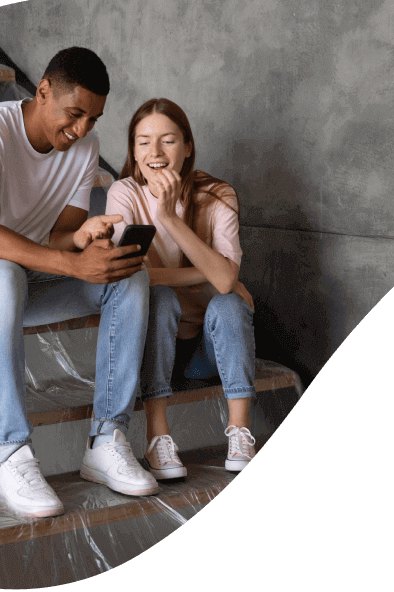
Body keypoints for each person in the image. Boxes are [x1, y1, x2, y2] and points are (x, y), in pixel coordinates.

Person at [0, 48, 159, 519]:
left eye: (93, 119)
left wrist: (81, 240)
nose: (82, 129)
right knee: (1, 274)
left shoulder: (83, 147)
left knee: (128, 276)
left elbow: (58, 237)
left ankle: (107, 440)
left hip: (21, 276)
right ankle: (10, 454)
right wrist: (72, 265)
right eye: (75, 114)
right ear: (43, 92)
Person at [106, 98, 257, 481]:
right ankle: (157, 437)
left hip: (207, 350)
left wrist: (169, 218)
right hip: (153, 347)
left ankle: (241, 434)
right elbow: (131, 276)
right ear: (133, 151)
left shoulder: (218, 195)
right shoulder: (123, 193)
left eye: (168, 141)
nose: (155, 152)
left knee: (229, 303)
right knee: (158, 296)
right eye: (143, 142)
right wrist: (209, 274)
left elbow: (224, 284)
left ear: (187, 147)